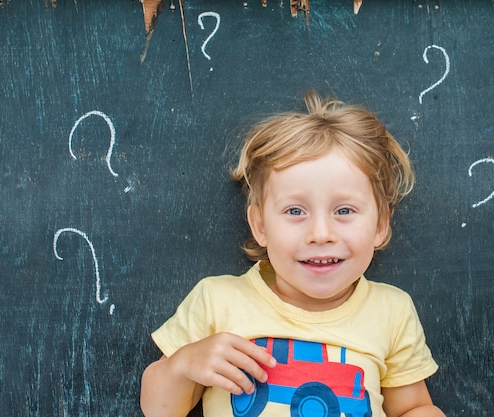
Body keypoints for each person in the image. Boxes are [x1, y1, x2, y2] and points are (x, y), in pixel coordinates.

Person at [140, 91, 445, 417]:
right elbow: (159, 410)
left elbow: (412, 407)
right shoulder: (218, 300)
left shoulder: (391, 311)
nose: (320, 234)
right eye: (295, 211)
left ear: (380, 226)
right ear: (260, 225)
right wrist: (184, 364)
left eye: (344, 210)